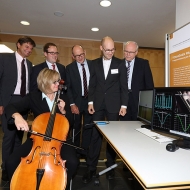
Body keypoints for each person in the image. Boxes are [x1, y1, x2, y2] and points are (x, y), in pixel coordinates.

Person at [5, 68, 79, 189]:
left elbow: (70, 122)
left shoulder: (63, 96)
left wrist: (64, 111)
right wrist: (17, 116)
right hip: (37, 139)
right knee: (11, 162)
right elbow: (10, 107)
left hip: (59, 138)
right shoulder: (33, 97)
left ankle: (59, 185)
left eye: (58, 81)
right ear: (45, 82)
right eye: (54, 82)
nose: (58, 84)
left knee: (72, 162)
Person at [82, 36, 128, 183]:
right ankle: (91, 168)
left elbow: (123, 87)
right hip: (98, 105)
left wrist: (124, 106)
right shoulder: (94, 64)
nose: (110, 52)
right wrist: (90, 102)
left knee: (112, 138)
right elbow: (92, 85)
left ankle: (110, 168)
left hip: (114, 106)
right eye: (107, 49)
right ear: (101, 48)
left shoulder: (120, 63)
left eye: (113, 49)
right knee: (95, 136)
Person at [0, 36, 36, 181]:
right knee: (8, 137)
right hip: (8, 102)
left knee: (19, 138)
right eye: (26, 47)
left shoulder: (29, 64)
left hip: (23, 103)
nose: (29, 50)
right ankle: (5, 169)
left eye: (31, 49)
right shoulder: (4, 59)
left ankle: (14, 165)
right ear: (18, 45)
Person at [66, 45, 93, 157]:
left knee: (88, 127)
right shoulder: (69, 68)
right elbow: (69, 88)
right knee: (76, 127)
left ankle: (85, 151)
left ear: (85, 52)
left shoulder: (93, 65)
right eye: (77, 56)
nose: (80, 57)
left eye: (81, 54)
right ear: (73, 56)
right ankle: (75, 152)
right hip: (77, 102)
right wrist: (72, 104)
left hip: (90, 102)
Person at [120, 41, 154, 121]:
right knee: (123, 125)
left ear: (136, 52)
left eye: (131, 52)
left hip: (138, 100)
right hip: (122, 100)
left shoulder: (143, 64)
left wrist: (148, 102)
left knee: (138, 124)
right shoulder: (119, 64)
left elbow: (149, 85)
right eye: (126, 51)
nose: (128, 54)